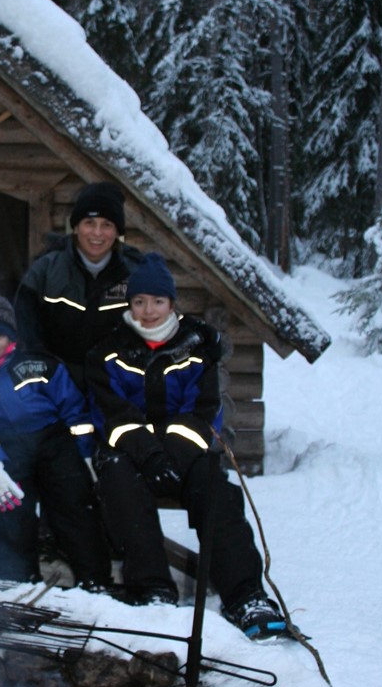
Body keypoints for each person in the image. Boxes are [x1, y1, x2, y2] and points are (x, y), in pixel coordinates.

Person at [85, 252, 290, 640]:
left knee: (218, 492)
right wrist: (148, 452)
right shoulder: (108, 350)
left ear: (172, 304)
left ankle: (246, 595)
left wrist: (171, 454)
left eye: (157, 302)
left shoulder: (196, 348)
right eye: (140, 302)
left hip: (185, 450)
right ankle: (153, 589)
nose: (148, 311)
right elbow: (110, 413)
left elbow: (203, 411)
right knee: (118, 484)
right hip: (130, 451)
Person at [0, 288, 110, 590]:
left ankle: (95, 579)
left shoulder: (39, 364)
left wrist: (86, 454)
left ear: (11, 336)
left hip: (54, 443)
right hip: (9, 449)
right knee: (12, 510)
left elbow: (74, 410)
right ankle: (18, 580)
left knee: (74, 506)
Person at [14, 181, 146, 390]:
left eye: (107, 225)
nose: (97, 233)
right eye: (89, 223)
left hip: (116, 387)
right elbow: (24, 328)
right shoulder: (45, 270)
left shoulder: (136, 274)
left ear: (117, 231)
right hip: (55, 386)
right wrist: (49, 372)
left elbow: (153, 329)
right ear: (75, 227)